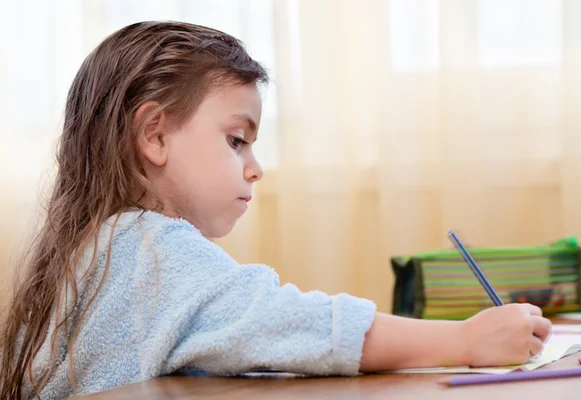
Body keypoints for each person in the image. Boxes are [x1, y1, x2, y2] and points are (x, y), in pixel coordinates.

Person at [0, 21, 551, 399]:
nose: (255, 168)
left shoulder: (91, 248)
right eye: (237, 140)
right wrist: (464, 341)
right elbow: (292, 322)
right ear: (155, 134)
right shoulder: (152, 250)